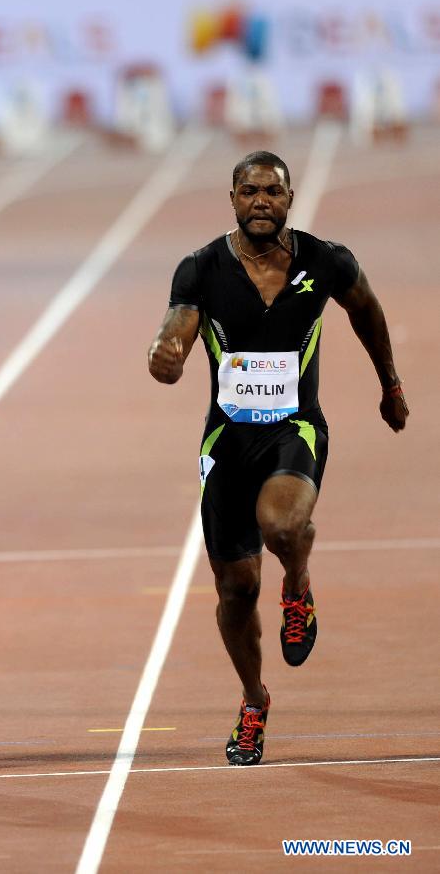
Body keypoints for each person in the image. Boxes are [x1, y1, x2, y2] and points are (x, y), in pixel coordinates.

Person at [147, 151, 408, 766]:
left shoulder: (326, 261)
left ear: (290, 200)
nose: (260, 201)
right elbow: (178, 324)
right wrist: (167, 351)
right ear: (232, 198)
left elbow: (367, 310)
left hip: (296, 429)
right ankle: (253, 700)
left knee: (283, 524)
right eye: (249, 192)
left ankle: (298, 586)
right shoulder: (202, 267)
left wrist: (389, 384)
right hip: (228, 442)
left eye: (272, 192)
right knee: (235, 590)